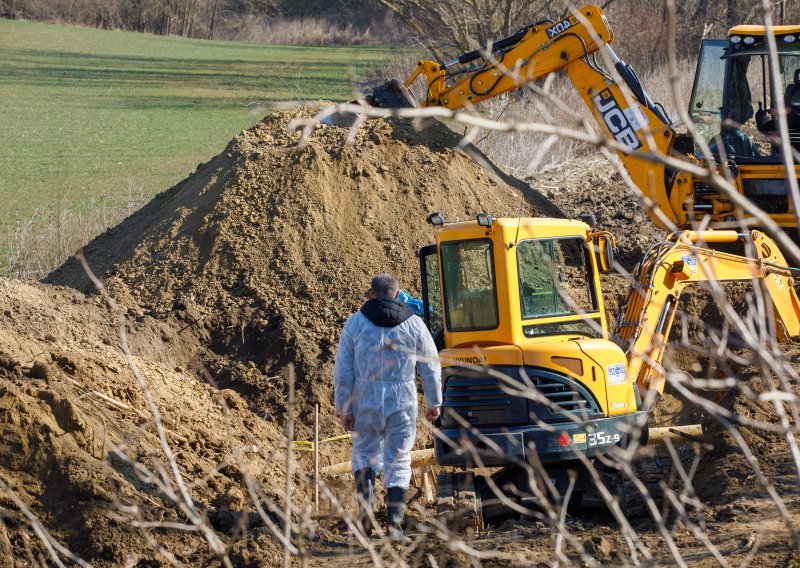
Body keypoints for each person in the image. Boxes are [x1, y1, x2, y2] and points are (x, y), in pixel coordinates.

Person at [334, 274, 442, 540]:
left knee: (364, 453)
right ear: (397, 294)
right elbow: (430, 365)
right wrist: (434, 402)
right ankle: (394, 526)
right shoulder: (415, 325)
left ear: (371, 294)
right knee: (398, 458)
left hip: (364, 397)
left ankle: (366, 519)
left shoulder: (355, 323)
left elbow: (343, 369)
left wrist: (343, 407)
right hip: (402, 397)